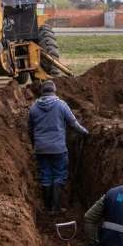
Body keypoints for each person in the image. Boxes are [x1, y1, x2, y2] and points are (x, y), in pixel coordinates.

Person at [28, 80, 89, 213]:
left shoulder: (33, 108)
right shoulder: (61, 105)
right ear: (54, 91)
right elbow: (73, 123)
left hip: (41, 148)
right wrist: (85, 132)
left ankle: (47, 207)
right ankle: (56, 208)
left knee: (45, 175)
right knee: (59, 175)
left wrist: (35, 145)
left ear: (42, 92)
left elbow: (30, 130)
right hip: (58, 149)